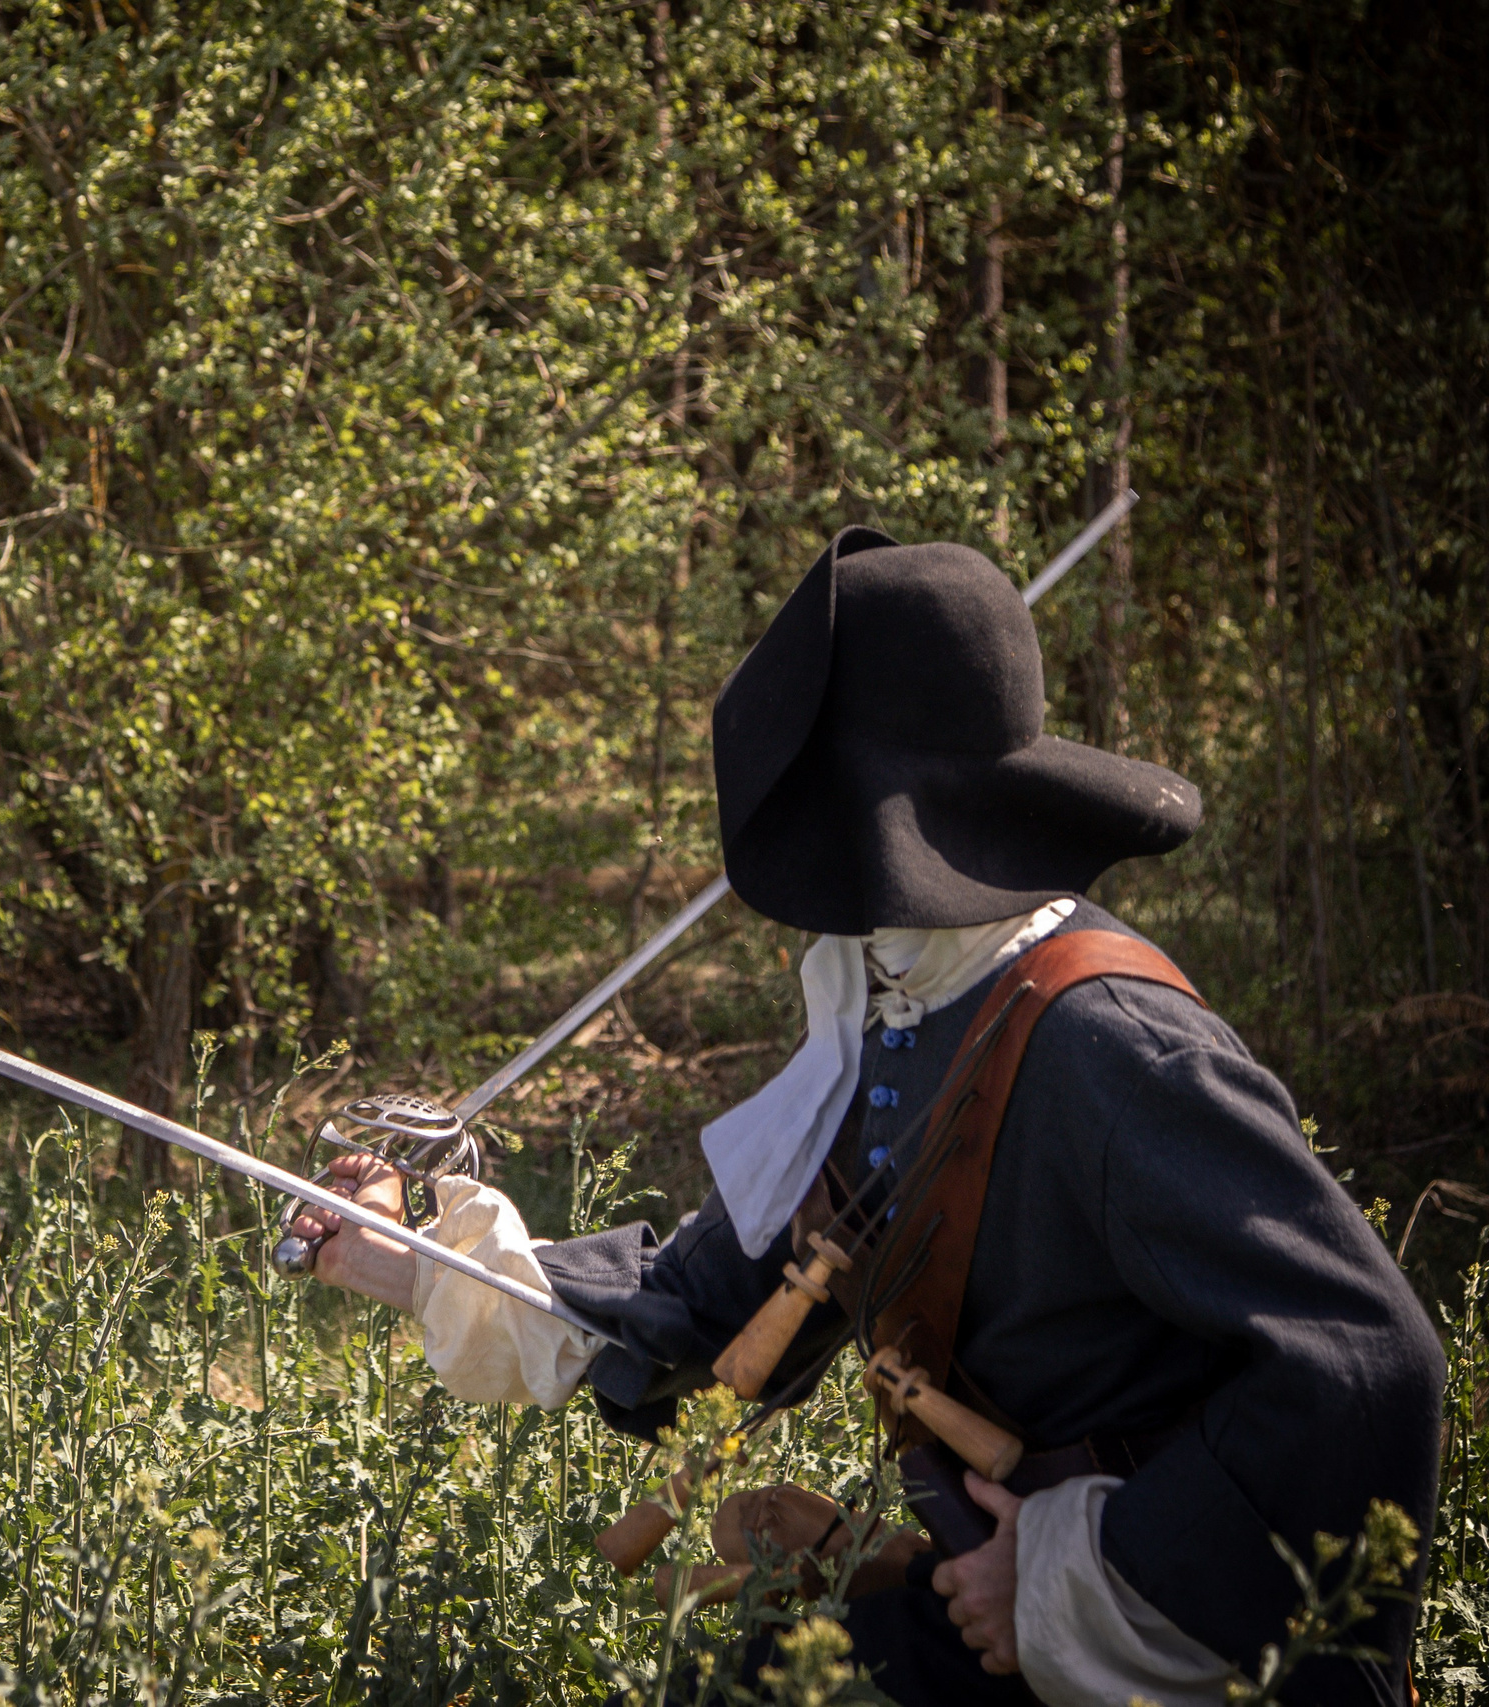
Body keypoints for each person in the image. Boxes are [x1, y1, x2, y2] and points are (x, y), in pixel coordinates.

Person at [291, 529, 1443, 1706]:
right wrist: (415, 1261)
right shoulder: (907, 1015)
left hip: (1176, 1651)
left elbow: (1366, 1369)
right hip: (1014, 1615)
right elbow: (711, 1303)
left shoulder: (1110, 1046)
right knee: (739, 1668)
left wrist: (1069, 1574)